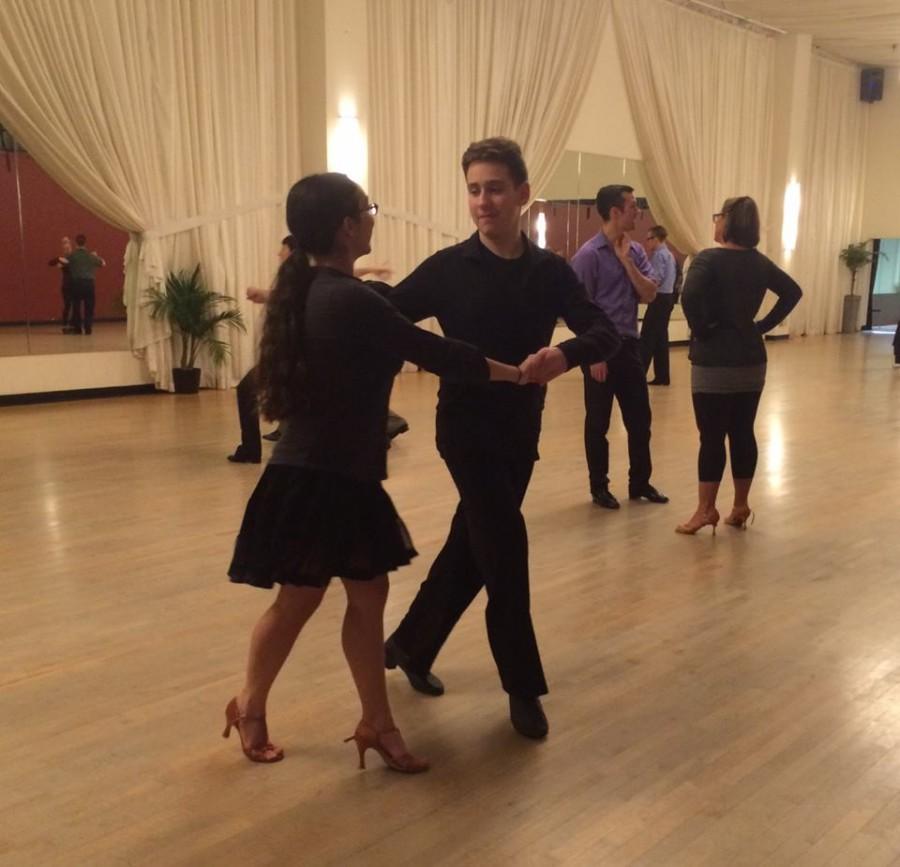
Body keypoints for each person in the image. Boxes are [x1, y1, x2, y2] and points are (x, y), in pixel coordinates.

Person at [224, 172, 526, 774]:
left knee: (345, 598)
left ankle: (366, 721)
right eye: (368, 209)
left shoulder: (314, 289)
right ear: (346, 226)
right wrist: (518, 374)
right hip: (324, 478)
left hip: (329, 475)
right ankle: (264, 706)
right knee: (316, 601)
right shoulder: (348, 299)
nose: (372, 216)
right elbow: (440, 354)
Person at [383, 137, 621, 740]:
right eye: (473, 189)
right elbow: (387, 315)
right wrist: (320, 288)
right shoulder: (447, 268)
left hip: (521, 429)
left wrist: (563, 356)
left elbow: (603, 331)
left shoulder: (549, 272)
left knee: (475, 543)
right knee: (506, 553)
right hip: (463, 431)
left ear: (521, 194)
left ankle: (411, 644)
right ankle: (522, 686)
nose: (482, 201)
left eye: (493, 188)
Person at [676, 196, 802, 534]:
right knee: (742, 431)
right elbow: (792, 292)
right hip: (750, 359)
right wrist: (760, 326)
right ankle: (741, 506)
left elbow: (688, 297)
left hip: (714, 360)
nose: (714, 222)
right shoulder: (759, 263)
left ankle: (705, 509)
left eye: (718, 216)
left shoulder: (708, 259)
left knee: (712, 437)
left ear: (728, 221)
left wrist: (702, 328)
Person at [228, 239, 409, 463]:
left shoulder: (309, 276)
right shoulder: (305, 275)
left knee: (252, 388)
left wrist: (263, 294)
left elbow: (299, 296)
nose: (278, 253)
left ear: (292, 251)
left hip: (303, 355)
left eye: (281, 249)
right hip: (302, 355)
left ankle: (251, 449)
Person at [570, 185, 669, 510]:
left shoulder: (637, 251)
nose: (637, 212)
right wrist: (593, 354)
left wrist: (627, 263)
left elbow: (650, 294)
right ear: (615, 211)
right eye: (632, 206)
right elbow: (577, 310)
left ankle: (640, 482)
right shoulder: (587, 256)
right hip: (599, 350)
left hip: (629, 347)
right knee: (597, 423)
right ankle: (599, 487)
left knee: (640, 419)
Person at [639, 225, 677, 386]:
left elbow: (656, 278)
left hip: (658, 299)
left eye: (648, 238)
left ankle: (638, 375)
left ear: (656, 238)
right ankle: (662, 376)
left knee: (647, 337)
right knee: (661, 339)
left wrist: (643, 292)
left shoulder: (658, 256)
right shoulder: (669, 255)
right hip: (667, 299)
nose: (646, 242)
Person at [66, 234, 105, 335]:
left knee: (76, 306)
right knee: (89, 307)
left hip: (76, 284)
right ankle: (88, 328)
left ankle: (78, 328)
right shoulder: (90, 256)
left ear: (76, 243)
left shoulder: (72, 255)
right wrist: (96, 256)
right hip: (88, 284)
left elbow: (65, 263)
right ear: (85, 242)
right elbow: (103, 263)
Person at [47, 236, 74, 332]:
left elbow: (69, 263)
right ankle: (65, 325)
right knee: (67, 305)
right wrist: (59, 259)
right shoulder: (62, 259)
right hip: (67, 285)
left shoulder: (74, 258)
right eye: (64, 245)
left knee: (74, 305)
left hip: (74, 285)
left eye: (68, 245)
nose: (66, 248)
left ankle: (72, 325)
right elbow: (50, 263)